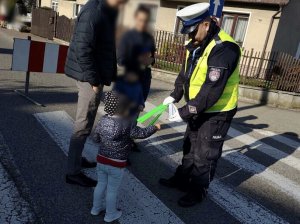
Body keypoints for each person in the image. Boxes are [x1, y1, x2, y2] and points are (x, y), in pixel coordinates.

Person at [159, 3, 241, 207]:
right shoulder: (196, 42)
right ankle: (181, 180)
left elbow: (212, 90)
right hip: (198, 107)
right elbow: (185, 73)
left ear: (205, 24)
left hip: (217, 112)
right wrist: (175, 95)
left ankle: (197, 191)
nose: (190, 35)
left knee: (205, 153)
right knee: (190, 146)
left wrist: (185, 111)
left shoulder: (224, 48)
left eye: (193, 30)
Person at [64, 0, 128, 188]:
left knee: (85, 123)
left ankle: (76, 160)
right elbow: (82, 48)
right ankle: (72, 172)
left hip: (93, 76)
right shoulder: (95, 11)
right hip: (90, 79)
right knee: (83, 125)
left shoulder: (104, 9)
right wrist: (94, 80)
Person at [91, 91, 160, 223]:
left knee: (101, 184)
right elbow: (141, 133)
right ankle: (110, 214)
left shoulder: (103, 120)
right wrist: (154, 128)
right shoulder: (127, 123)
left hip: (101, 159)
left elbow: (95, 138)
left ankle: (95, 208)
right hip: (117, 163)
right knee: (112, 189)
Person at [117, 5, 156, 102]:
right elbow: (120, 60)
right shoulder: (127, 37)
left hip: (145, 78)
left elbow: (152, 58)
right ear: (136, 19)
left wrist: (150, 60)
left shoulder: (149, 38)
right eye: (140, 20)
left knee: (138, 110)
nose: (143, 23)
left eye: (145, 21)